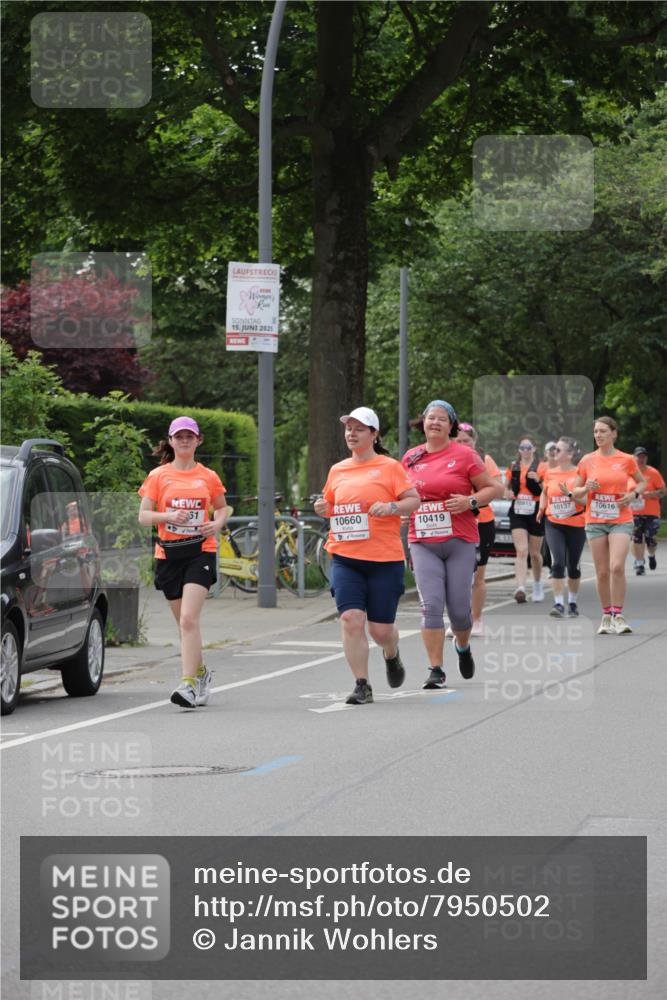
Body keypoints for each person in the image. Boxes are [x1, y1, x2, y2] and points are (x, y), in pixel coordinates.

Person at [314, 407, 420, 705]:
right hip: (345, 556)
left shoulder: (389, 467)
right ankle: (362, 684)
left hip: (383, 559)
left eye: (360, 429)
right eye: (349, 428)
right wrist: (322, 508)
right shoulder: (338, 470)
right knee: (350, 618)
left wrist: (391, 507)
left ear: (374, 434)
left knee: (380, 629)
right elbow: (330, 505)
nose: (352, 433)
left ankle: (391, 652)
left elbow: (413, 500)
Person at [402, 401, 500, 689]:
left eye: (441, 419)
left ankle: (463, 646)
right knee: (430, 606)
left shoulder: (465, 455)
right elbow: (399, 491)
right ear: (423, 423)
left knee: (459, 611)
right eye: (430, 418)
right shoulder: (410, 457)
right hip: (422, 541)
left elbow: (494, 489)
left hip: (459, 539)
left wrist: (469, 501)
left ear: (451, 425)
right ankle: (436, 669)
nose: (434, 422)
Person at [138, 416, 228, 707]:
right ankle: (201, 673)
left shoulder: (208, 476)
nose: (185, 441)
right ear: (172, 441)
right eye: (180, 437)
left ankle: (188, 685)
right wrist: (167, 517)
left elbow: (223, 508)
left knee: (189, 619)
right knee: (184, 625)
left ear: (198, 440)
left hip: (201, 551)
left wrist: (217, 524)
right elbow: (143, 516)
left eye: (190, 436)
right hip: (168, 554)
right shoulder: (158, 476)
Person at [568, 416, 646, 635]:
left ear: (614, 433)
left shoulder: (627, 459)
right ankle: (606, 615)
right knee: (602, 572)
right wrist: (587, 488)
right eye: (595, 432)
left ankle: (619, 615)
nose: (598, 435)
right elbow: (575, 492)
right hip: (595, 520)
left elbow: (641, 481)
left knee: (616, 567)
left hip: (620, 519)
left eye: (603, 431)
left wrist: (632, 494)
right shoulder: (587, 460)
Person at [454, 422, 504, 636]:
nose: (463, 444)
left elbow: (498, 490)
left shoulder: (484, 461)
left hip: (482, 522)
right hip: (456, 522)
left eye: (467, 441)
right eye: (458, 441)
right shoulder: (448, 460)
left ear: (474, 442)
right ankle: (457, 619)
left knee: (478, 575)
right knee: (456, 575)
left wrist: (472, 499)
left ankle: (476, 619)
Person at [536, 436, 586, 617]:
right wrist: (542, 508)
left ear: (570, 454)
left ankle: (572, 602)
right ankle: (558, 604)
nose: (554, 452)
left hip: (576, 522)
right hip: (554, 522)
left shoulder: (580, 473)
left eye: (559, 449)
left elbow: (586, 500)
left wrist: (571, 495)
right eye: (554, 449)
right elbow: (544, 492)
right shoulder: (550, 472)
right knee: (557, 563)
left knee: (573, 566)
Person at [506, 437, 545, 603]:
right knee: (521, 550)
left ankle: (537, 584)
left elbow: (549, 489)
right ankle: (520, 587)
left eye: (529, 447)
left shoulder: (542, 466)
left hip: (536, 510)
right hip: (518, 509)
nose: (526, 450)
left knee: (535, 553)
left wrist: (539, 480)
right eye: (523, 447)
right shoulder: (513, 466)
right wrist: (507, 493)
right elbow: (506, 487)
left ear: (534, 449)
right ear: (519, 449)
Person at [630, 446, 665, 575]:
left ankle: (651, 555)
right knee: (636, 538)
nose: (641, 459)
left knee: (651, 538)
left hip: (651, 512)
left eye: (643, 457)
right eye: (639, 456)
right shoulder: (628, 473)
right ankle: (639, 563)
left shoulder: (653, 473)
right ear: (633, 458)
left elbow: (663, 491)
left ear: (646, 458)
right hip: (634, 512)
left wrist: (650, 494)